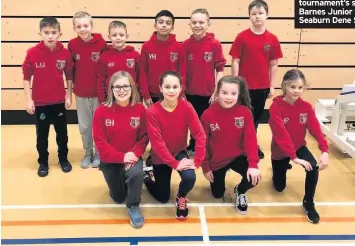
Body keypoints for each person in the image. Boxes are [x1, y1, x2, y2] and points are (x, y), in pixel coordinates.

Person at [268, 69, 329, 224]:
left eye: (300, 87)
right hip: (280, 150)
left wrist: (325, 150)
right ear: (284, 86)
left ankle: (308, 202)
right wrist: (293, 157)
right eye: (292, 87)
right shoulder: (276, 108)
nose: (296, 91)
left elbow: (315, 128)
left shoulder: (306, 107)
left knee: (313, 167)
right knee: (279, 187)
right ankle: (281, 168)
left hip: (299, 146)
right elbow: (281, 135)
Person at [144, 71, 206, 220]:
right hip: (160, 157)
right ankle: (147, 176)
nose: (171, 91)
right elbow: (157, 144)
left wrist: (197, 161)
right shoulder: (152, 111)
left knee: (190, 177)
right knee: (163, 197)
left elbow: (200, 135)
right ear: (160, 88)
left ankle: (181, 197)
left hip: (178, 151)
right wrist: (175, 164)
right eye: (167, 87)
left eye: (175, 86)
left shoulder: (187, 107)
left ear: (180, 88)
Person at [93, 71, 148, 228]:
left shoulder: (140, 110)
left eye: (125, 86)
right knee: (118, 197)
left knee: (136, 173)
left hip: (132, 157)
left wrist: (134, 155)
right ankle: (128, 183)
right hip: (111, 159)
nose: (122, 90)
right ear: (111, 89)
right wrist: (122, 157)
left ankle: (134, 205)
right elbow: (100, 144)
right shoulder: (101, 112)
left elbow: (144, 137)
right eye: (117, 87)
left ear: (132, 88)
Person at [229, 0, 283, 159]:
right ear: (249, 16)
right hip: (243, 87)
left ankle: (250, 145)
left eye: (260, 13)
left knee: (255, 118)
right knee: (241, 117)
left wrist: (272, 86)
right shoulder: (242, 37)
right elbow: (235, 61)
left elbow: (273, 64)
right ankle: (236, 145)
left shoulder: (272, 39)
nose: (257, 17)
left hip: (262, 87)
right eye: (254, 14)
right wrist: (235, 84)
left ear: (267, 16)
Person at [22, 17, 74, 177]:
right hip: (40, 103)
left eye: (54, 32)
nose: (50, 36)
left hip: (58, 102)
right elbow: (26, 77)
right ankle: (43, 162)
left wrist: (69, 95)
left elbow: (70, 76)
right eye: (46, 33)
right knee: (42, 135)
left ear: (60, 34)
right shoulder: (32, 53)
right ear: (40, 34)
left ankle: (63, 158)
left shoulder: (65, 53)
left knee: (62, 133)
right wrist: (29, 99)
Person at [201, 75, 260, 214]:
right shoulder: (208, 115)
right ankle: (218, 180)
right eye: (224, 93)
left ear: (239, 94)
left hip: (237, 156)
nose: (229, 97)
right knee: (217, 194)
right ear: (217, 93)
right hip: (217, 160)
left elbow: (251, 139)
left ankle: (240, 190)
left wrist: (253, 165)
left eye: (233, 93)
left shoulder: (244, 112)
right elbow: (202, 142)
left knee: (254, 178)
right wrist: (206, 166)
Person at [138, 10, 186, 169]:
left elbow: (182, 73)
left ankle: (172, 151)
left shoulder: (178, 48)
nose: (164, 25)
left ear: (172, 27)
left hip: (172, 95)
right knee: (154, 127)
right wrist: (145, 94)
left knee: (170, 125)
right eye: (161, 22)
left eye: (168, 23)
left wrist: (181, 93)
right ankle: (155, 153)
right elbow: (143, 72)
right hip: (152, 95)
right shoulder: (146, 47)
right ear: (155, 25)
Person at [183, 8, 226, 156]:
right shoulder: (185, 45)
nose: (197, 25)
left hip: (208, 93)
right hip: (189, 92)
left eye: (201, 22)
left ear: (208, 24)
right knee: (192, 122)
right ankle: (193, 146)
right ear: (190, 24)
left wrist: (217, 91)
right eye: (194, 22)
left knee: (207, 122)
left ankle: (208, 148)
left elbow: (220, 69)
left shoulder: (214, 44)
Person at [68, 11, 107, 169]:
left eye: (86, 25)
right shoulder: (72, 44)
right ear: (74, 28)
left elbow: (106, 69)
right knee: (84, 125)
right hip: (81, 93)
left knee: (98, 125)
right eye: (79, 26)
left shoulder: (101, 44)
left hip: (98, 93)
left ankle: (99, 153)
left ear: (92, 26)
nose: (83, 29)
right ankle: (88, 152)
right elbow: (70, 70)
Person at [97, 21, 140, 104]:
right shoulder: (104, 56)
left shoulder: (135, 55)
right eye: (114, 35)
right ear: (109, 37)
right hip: (111, 98)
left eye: (121, 35)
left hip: (131, 97)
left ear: (126, 36)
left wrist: (139, 97)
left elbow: (139, 78)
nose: (118, 38)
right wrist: (102, 99)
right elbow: (101, 80)